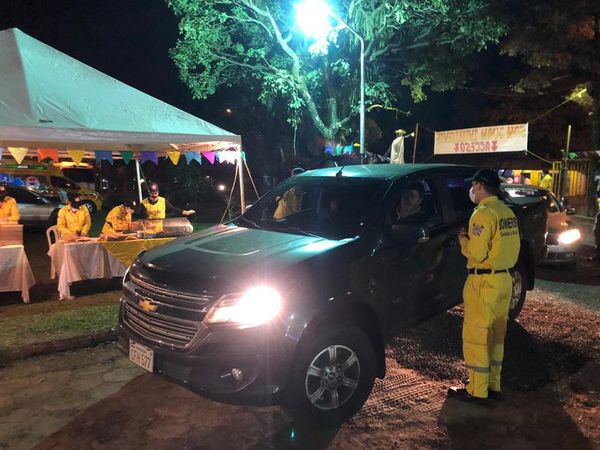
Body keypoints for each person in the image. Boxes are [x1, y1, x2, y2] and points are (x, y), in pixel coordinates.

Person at [448, 169, 520, 403]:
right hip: (504, 280)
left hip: (484, 281)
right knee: (497, 336)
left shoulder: (482, 214)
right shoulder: (507, 212)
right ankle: (493, 385)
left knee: (477, 335)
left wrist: (463, 240)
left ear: (479, 186)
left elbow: (477, 253)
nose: (472, 190)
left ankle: (476, 391)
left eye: (473, 186)